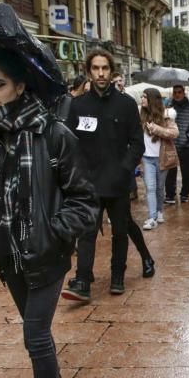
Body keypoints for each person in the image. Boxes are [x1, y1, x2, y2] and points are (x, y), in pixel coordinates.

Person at [0, 49, 97, 378]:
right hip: (8, 255)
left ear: (20, 87)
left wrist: (52, 234)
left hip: (44, 254)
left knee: (35, 335)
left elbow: (84, 199)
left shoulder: (53, 133)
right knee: (32, 327)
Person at [63, 48, 145, 301]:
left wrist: (124, 167)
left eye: (105, 68)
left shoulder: (126, 104)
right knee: (86, 233)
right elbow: (70, 143)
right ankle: (83, 281)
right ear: (88, 72)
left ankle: (117, 277)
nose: (100, 73)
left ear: (111, 71)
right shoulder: (78, 106)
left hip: (118, 182)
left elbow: (137, 143)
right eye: (96, 68)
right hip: (88, 183)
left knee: (120, 232)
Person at [140, 89, 177, 230]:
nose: (142, 99)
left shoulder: (166, 116)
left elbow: (174, 133)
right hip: (146, 158)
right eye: (142, 97)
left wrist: (156, 129)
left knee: (159, 188)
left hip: (162, 158)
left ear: (152, 100)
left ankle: (160, 211)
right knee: (150, 188)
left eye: (145, 97)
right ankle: (152, 217)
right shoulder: (141, 116)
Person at [166, 84, 189, 204]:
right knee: (170, 171)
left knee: (186, 171)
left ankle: (185, 194)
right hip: (171, 144)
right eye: (175, 92)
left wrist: (188, 136)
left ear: (183, 93)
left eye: (179, 92)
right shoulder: (169, 107)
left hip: (185, 145)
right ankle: (170, 195)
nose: (177, 94)